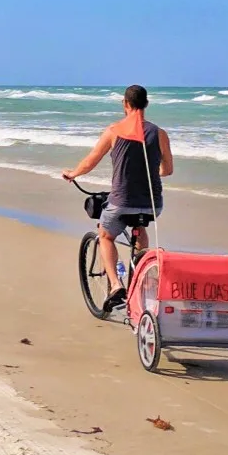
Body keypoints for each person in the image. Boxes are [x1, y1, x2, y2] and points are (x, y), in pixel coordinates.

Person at [61, 84, 174, 314]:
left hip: (122, 201)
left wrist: (73, 174)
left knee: (105, 234)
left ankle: (115, 286)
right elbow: (167, 169)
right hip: (153, 203)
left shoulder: (113, 131)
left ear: (125, 104)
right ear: (146, 105)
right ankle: (141, 270)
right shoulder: (160, 133)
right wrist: (151, 172)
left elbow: (91, 161)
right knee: (140, 226)